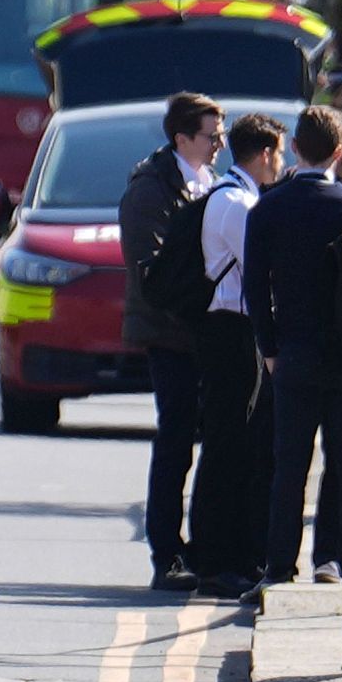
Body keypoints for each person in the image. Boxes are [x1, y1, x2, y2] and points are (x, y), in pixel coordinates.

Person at [240, 106, 342, 604]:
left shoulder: (267, 210)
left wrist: (270, 348)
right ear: (340, 152)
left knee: (289, 465)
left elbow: (254, 287)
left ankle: (279, 567)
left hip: (294, 353)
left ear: (296, 149)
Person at [118, 91, 223, 592]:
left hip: (204, 332)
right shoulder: (151, 188)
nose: (219, 143)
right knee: (176, 439)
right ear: (183, 138)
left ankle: (203, 546)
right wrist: (200, 305)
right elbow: (151, 273)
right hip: (171, 333)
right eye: (211, 135)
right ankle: (166, 551)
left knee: (213, 440)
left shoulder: (207, 181)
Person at [189, 113, 286, 599]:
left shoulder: (238, 196)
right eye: (279, 154)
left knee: (237, 443)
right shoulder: (237, 202)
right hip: (228, 330)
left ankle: (227, 555)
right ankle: (215, 559)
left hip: (236, 328)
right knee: (228, 444)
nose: (282, 163)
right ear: (264, 153)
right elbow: (262, 269)